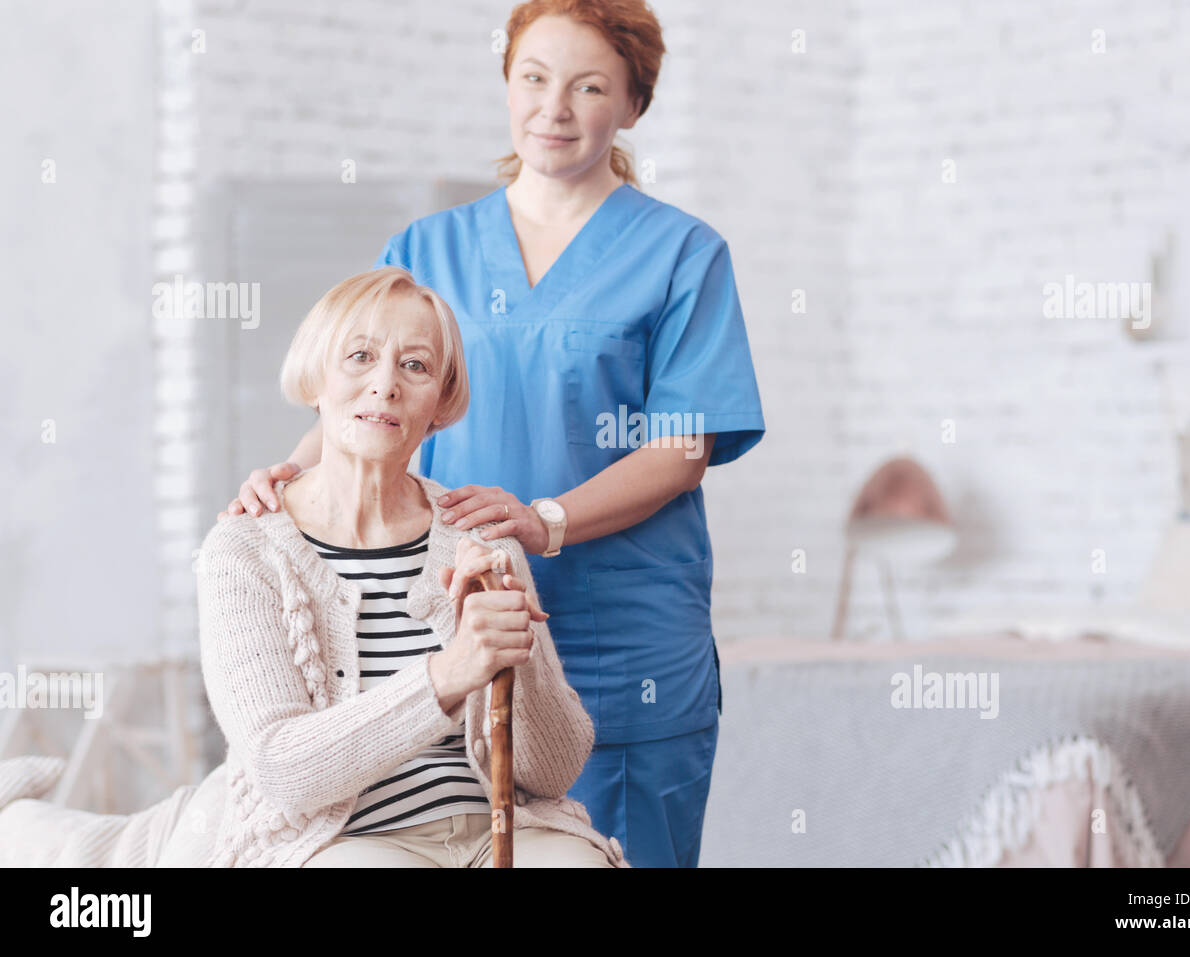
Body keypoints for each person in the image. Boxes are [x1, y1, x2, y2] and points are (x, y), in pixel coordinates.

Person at [221, 0, 764, 868]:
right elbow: (365, 392)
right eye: (533, 79)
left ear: (631, 105)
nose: (554, 107)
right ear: (507, 86)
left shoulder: (682, 254)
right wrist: (280, 483)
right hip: (450, 630)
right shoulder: (427, 248)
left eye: (589, 87)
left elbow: (683, 445)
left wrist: (543, 521)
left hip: (625, 635)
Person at [0, 267, 626, 868]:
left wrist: (517, 658)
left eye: (415, 365)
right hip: (344, 840)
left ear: (440, 402)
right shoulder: (245, 551)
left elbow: (554, 770)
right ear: (315, 379)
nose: (385, 384)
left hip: (507, 831)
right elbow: (282, 769)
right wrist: (450, 673)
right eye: (359, 357)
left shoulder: (480, 537)